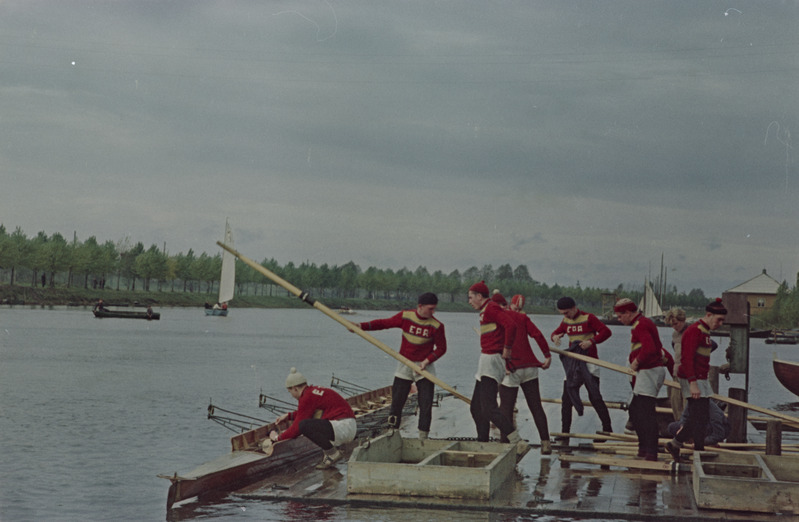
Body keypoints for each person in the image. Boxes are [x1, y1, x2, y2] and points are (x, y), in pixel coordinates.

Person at [357, 292, 447, 439]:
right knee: (397, 402)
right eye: (430, 309)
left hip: (424, 367)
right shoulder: (406, 316)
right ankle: (392, 432)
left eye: (434, 309)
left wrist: (426, 361)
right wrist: (361, 326)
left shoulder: (436, 326)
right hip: (405, 363)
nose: (433, 312)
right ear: (420, 306)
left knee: (425, 404)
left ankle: (423, 437)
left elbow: (442, 348)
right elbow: (384, 323)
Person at [467, 281, 528, 454]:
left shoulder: (492, 308)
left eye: (471, 297)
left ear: (480, 296)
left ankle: (518, 441)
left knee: (490, 408)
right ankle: (483, 443)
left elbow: (511, 325)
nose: (469, 301)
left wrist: (507, 348)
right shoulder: (485, 310)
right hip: (485, 359)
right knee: (476, 408)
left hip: (492, 361)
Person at [666, 298, 727, 460]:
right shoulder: (695, 331)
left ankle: (696, 449)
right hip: (692, 379)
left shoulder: (705, 331)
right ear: (709, 315)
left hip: (701, 379)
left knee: (699, 417)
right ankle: (675, 443)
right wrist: (693, 384)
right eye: (719, 319)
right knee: (696, 416)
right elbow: (686, 359)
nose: (720, 323)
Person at [497, 293, 554, 454]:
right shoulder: (523, 318)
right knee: (536, 406)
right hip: (530, 366)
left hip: (511, 367)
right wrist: (547, 356)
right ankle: (546, 443)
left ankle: (505, 445)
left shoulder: (498, 319)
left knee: (506, 409)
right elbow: (538, 335)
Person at [268, 368, 357, 469]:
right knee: (307, 422)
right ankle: (330, 453)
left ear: (295, 388)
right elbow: (307, 412)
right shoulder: (311, 392)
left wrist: (277, 438)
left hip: (343, 427)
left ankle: (332, 453)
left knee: (304, 425)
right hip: (347, 425)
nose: (291, 395)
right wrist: (288, 416)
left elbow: (297, 428)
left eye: (290, 392)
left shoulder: (307, 397)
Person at [550, 297, 613, 435]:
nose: (565, 316)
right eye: (562, 314)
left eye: (567, 313)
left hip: (590, 362)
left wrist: (592, 341)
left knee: (594, 396)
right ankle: (564, 432)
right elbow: (554, 333)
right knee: (566, 398)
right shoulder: (566, 321)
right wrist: (555, 337)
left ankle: (607, 428)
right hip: (574, 364)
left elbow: (606, 332)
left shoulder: (588, 318)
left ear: (574, 308)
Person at [614, 298, 667, 461]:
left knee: (645, 412)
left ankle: (651, 452)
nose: (618, 319)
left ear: (628, 313)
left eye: (619, 316)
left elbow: (650, 348)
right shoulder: (642, 323)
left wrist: (636, 362)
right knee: (635, 411)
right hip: (648, 371)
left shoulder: (641, 324)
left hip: (649, 371)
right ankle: (643, 448)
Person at [664, 307, 689, 419]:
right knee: (675, 403)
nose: (674, 327)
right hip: (676, 373)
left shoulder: (692, 331)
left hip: (688, 374)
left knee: (687, 404)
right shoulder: (675, 335)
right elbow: (675, 348)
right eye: (671, 325)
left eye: (676, 323)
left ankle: (688, 431)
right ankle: (678, 428)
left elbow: (711, 345)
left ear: (683, 320)